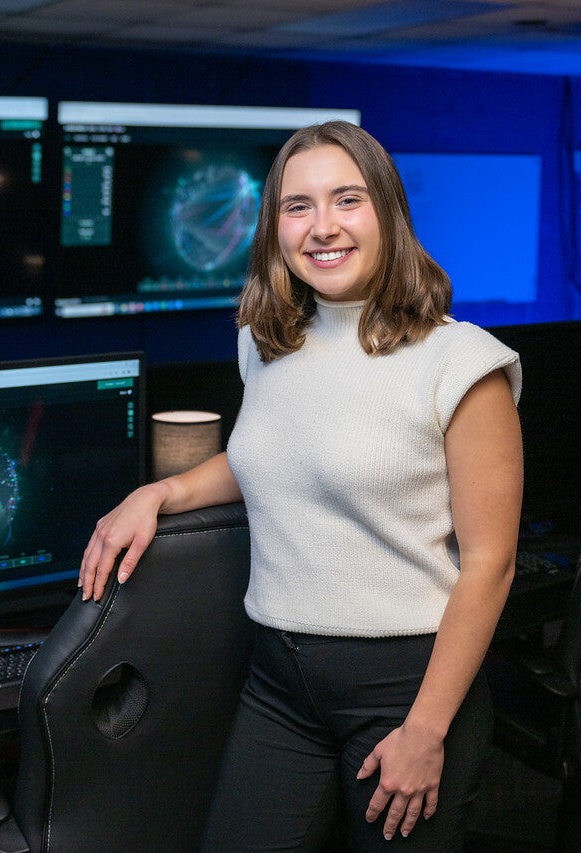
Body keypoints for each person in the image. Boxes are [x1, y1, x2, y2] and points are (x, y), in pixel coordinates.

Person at [79, 120, 523, 851]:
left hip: (406, 687)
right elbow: (270, 457)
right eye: (297, 206)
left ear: (387, 211)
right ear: (274, 227)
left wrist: (425, 728)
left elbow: (489, 564)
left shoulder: (461, 363)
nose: (322, 227)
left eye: (346, 200)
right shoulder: (266, 340)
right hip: (278, 681)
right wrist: (158, 493)